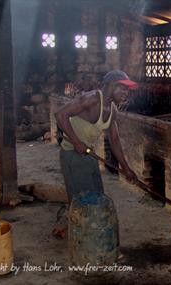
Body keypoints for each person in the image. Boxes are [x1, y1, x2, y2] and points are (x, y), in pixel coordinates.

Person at [52, 70, 138, 237]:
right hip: (71, 154)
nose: (126, 94)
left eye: (128, 90)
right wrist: (76, 142)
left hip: (88, 156)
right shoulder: (91, 99)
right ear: (111, 86)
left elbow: (115, 140)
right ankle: (80, 236)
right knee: (82, 202)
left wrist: (126, 168)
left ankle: (87, 232)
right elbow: (60, 115)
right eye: (123, 89)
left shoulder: (112, 110)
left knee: (97, 196)